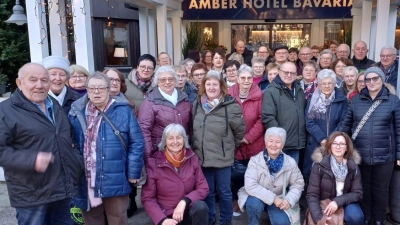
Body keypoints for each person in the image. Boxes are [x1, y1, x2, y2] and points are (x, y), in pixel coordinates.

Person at [0, 63, 83, 225]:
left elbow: (69, 138)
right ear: (19, 83)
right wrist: (32, 160)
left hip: (63, 188)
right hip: (32, 194)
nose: (39, 85)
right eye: (33, 80)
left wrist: (76, 161)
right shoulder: (5, 111)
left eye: (44, 80)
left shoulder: (55, 104)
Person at [68, 72, 145, 225]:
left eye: (101, 88)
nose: (96, 92)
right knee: (92, 220)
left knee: (117, 219)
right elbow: (71, 143)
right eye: (92, 88)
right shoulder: (76, 112)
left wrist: (133, 172)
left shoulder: (124, 110)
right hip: (87, 178)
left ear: (109, 90)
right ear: (87, 90)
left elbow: (137, 143)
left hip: (115, 176)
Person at [340, 67, 400, 225]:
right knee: (364, 188)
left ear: (382, 80)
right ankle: (366, 217)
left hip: (385, 155)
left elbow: (399, 129)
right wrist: (336, 143)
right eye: (368, 79)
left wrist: (399, 154)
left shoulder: (393, 100)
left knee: (381, 190)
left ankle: (379, 219)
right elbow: (345, 125)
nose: (372, 82)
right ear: (364, 82)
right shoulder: (356, 100)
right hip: (361, 155)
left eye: (375, 78)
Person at [192, 70, 246, 225]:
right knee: (207, 192)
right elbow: (193, 127)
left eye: (215, 84)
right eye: (208, 84)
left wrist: (228, 146)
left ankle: (225, 221)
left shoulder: (231, 106)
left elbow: (240, 130)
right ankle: (210, 220)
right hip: (202, 157)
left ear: (221, 86)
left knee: (224, 193)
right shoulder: (197, 104)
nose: (211, 87)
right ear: (204, 86)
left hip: (222, 158)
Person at [141, 124, 210, 225]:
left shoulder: (192, 158)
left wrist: (184, 201)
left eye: (178, 138)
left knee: (201, 207)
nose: (175, 142)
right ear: (165, 141)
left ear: (184, 139)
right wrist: (162, 220)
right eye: (170, 138)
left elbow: (203, 188)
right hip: (166, 215)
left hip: (187, 210)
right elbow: (148, 198)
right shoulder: (153, 163)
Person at [238, 127, 304, 225]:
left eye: (278, 142)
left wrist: (289, 200)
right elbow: (250, 186)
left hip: (279, 198)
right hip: (257, 196)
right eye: (271, 141)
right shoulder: (255, 161)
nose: (273, 145)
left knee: (282, 223)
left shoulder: (290, 162)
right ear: (265, 142)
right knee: (253, 204)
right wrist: (273, 198)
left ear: (283, 144)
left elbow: (298, 184)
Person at [228, 65, 265, 217]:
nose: (246, 81)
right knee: (235, 175)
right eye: (242, 78)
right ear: (237, 79)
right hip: (234, 144)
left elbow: (262, 119)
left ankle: (252, 206)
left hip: (254, 144)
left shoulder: (260, 95)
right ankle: (236, 202)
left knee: (253, 176)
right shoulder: (229, 94)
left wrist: (248, 138)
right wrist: (236, 138)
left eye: (249, 78)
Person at [306, 132, 363, 225]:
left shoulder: (353, 166)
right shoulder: (319, 165)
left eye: (341, 144)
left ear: (346, 148)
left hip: (345, 203)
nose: (338, 146)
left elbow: (358, 194)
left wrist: (337, 202)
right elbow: (312, 195)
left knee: (356, 216)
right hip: (324, 204)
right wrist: (320, 220)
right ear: (330, 146)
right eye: (335, 143)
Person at [138, 65, 192, 159]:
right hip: (159, 153)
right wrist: (150, 155)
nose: (167, 82)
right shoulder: (150, 102)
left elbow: (190, 127)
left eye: (170, 79)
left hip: (182, 152)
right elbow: (144, 130)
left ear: (175, 81)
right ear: (157, 82)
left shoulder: (184, 99)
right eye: (163, 80)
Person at [303, 69, 348, 179]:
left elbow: (344, 121)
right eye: (324, 83)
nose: (327, 86)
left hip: (336, 143)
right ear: (319, 84)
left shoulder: (342, 100)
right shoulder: (312, 100)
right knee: (313, 174)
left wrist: (332, 139)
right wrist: (322, 139)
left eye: (330, 83)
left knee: (332, 175)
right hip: (315, 142)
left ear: (334, 84)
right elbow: (309, 122)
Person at [262, 62, 306, 163]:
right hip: (280, 145)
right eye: (286, 72)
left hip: (296, 144)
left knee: (292, 176)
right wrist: (278, 139)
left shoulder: (299, 90)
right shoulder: (271, 91)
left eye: (292, 73)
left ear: (296, 75)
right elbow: (268, 117)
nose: (289, 75)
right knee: (279, 176)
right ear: (279, 72)